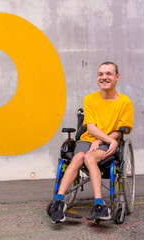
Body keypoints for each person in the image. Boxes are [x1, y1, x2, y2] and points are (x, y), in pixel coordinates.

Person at [50, 61, 134, 223]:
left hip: (106, 144)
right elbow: (90, 127)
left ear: (117, 77)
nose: (104, 77)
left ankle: (99, 204)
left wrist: (106, 141)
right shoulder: (89, 99)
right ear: (97, 77)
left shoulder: (125, 103)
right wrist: (105, 140)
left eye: (109, 74)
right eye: (101, 74)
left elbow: (121, 129)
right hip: (88, 140)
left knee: (88, 158)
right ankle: (59, 201)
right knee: (80, 155)